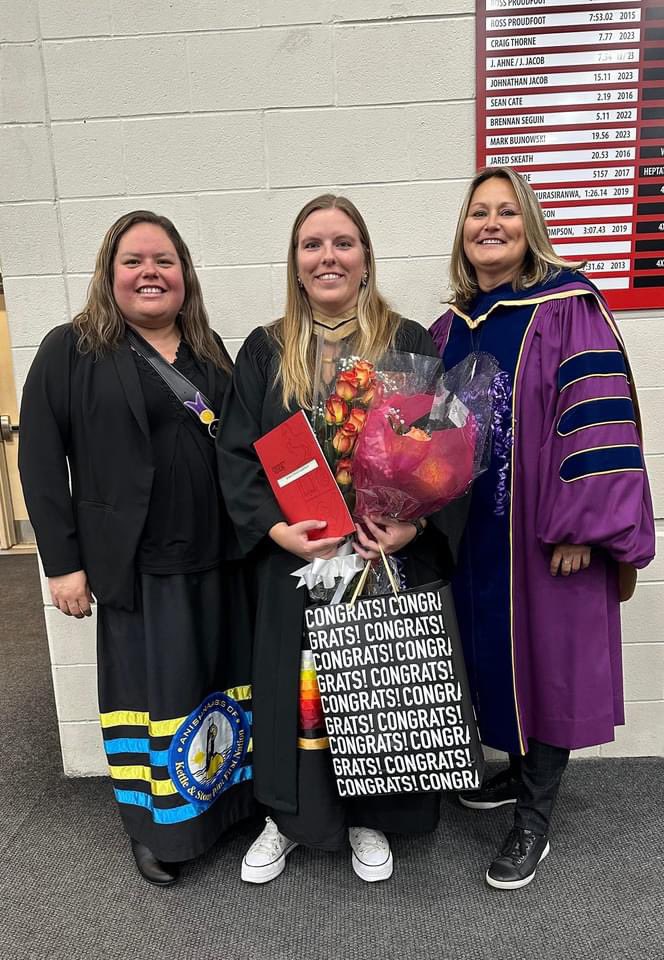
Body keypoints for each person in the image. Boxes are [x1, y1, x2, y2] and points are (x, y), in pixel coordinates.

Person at [217, 194, 462, 884]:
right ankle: (288, 817)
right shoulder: (267, 348)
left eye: (343, 243)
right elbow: (235, 455)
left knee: (373, 690)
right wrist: (275, 529)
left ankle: (370, 817)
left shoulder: (407, 340)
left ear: (365, 259)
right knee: (298, 689)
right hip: (298, 559)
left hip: (381, 559)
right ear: (296, 266)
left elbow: (441, 450)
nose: (328, 257)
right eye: (313, 245)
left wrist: (413, 522)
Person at [429, 166, 655, 890]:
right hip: (475, 537)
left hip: (546, 534)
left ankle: (535, 816)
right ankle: (518, 772)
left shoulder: (567, 309)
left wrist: (581, 527)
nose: (489, 224)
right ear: (462, 233)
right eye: (477, 214)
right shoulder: (448, 328)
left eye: (505, 212)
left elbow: (595, 418)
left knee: (548, 662)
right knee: (497, 656)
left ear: (530, 226)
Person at [19, 211, 254, 886]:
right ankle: (155, 830)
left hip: (219, 559)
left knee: (219, 687)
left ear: (185, 275)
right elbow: (39, 462)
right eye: (134, 261)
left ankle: (226, 809)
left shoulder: (211, 354)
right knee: (153, 703)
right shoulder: (71, 350)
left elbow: (244, 453)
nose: (150, 272)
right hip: (137, 569)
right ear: (109, 273)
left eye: (164, 260)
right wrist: (62, 564)